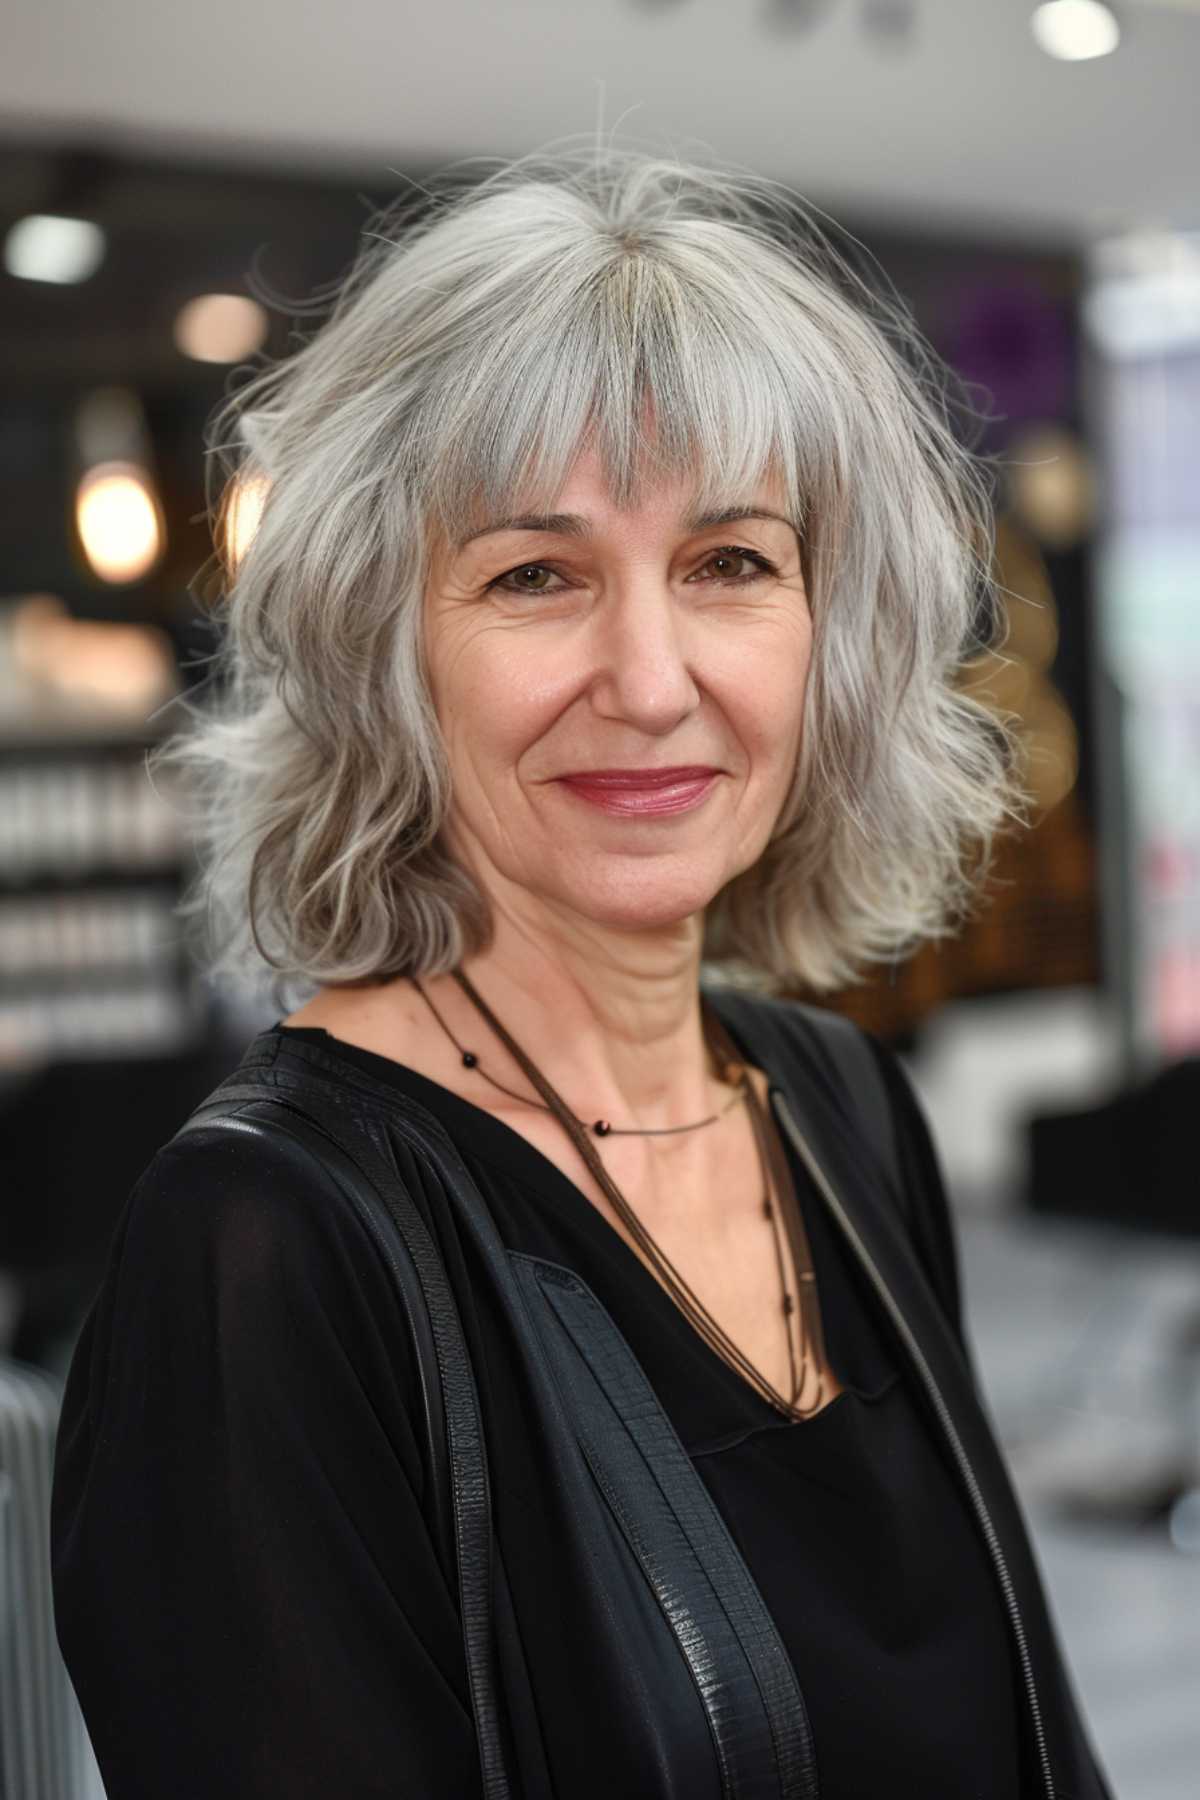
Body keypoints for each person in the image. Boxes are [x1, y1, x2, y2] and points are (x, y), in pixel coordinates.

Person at [50, 141, 1114, 1799]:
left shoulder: (832, 1104)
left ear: (837, 637)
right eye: (536, 575)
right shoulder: (270, 1250)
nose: (647, 674)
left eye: (731, 563)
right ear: (380, 655)